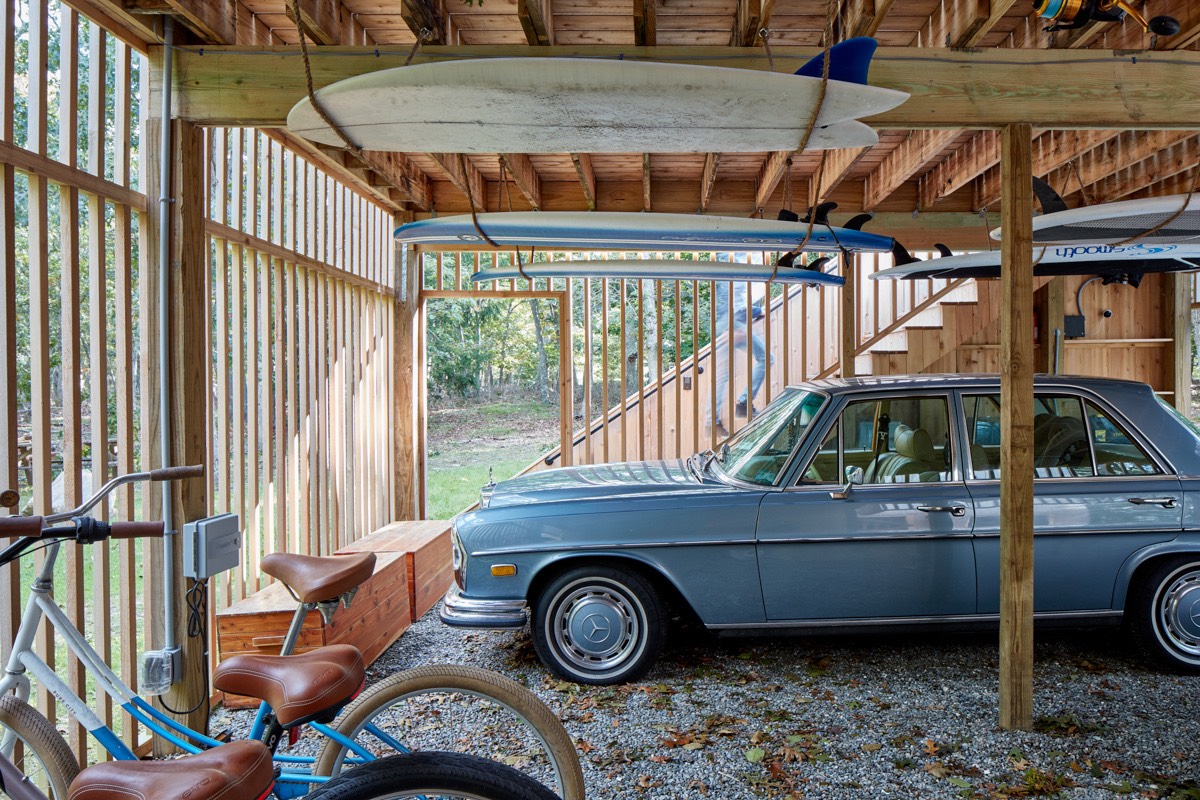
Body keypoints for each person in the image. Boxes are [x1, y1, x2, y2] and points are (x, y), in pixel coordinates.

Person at [711, 277, 773, 437]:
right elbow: (735, 305)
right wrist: (757, 311)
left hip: (729, 322)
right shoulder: (736, 265)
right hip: (733, 322)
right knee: (766, 358)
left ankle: (714, 421)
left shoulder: (730, 267)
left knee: (723, 375)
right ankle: (742, 403)